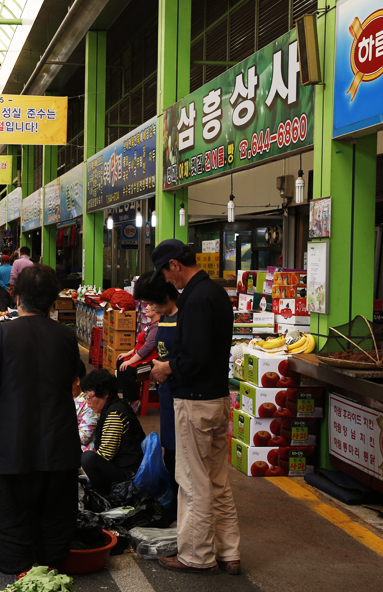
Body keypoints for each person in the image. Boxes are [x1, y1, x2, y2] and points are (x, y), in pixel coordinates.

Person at [0, 264, 83, 575]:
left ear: (17, 298)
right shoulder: (66, 337)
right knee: (56, 505)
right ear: (51, 301)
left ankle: (15, 563)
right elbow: (75, 386)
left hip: (15, 440)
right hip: (59, 439)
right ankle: (51, 560)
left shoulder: (3, 335)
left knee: (11, 506)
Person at [148, 239, 239, 575]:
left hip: (196, 403)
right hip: (216, 400)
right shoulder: (215, 293)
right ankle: (230, 552)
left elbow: (196, 356)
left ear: (175, 265)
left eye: (166, 273)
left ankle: (197, 556)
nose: (168, 281)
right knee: (217, 481)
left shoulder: (196, 299)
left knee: (193, 481)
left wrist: (166, 368)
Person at [133, 271, 181, 481]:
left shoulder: (185, 316)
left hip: (183, 395)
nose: (150, 307)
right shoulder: (164, 318)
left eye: (152, 301)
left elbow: (195, 356)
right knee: (169, 450)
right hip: (166, 393)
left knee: (181, 456)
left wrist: (167, 368)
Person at [79, 370, 146, 495]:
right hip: (125, 469)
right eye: (85, 398)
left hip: (128, 477)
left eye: (89, 398)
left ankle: (107, 496)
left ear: (105, 394)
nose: (88, 403)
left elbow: (105, 455)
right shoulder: (115, 407)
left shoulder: (115, 415)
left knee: (88, 459)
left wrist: (81, 470)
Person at [116, 280, 161, 405]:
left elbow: (147, 347)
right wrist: (128, 353)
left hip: (149, 360)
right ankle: (125, 395)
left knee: (127, 368)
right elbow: (140, 344)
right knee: (120, 360)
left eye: (149, 306)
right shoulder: (150, 325)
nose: (145, 308)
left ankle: (133, 400)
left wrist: (131, 360)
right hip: (141, 356)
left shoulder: (156, 327)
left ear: (157, 310)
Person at [72, 360, 98, 452]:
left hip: (82, 451)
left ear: (77, 381)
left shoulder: (88, 402)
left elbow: (84, 437)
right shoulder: (68, 397)